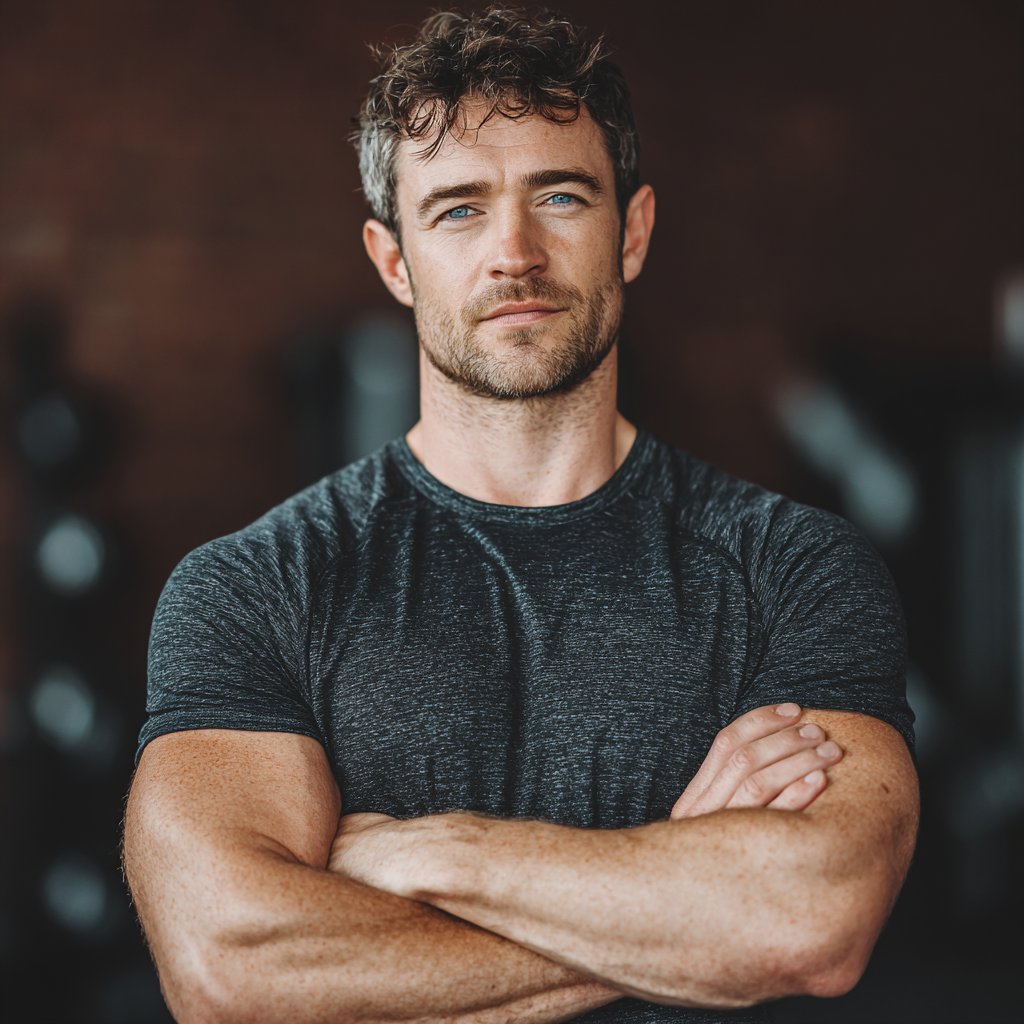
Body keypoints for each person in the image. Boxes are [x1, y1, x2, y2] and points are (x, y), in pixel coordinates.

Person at [123, 8, 918, 1023]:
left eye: (559, 194)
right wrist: (681, 891)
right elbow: (231, 967)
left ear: (630, 231)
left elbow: (809, 916)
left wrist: (424, 853)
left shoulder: (793, 569)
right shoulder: (253, 588)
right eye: (457, 208)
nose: (514, 250)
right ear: (392, 260)